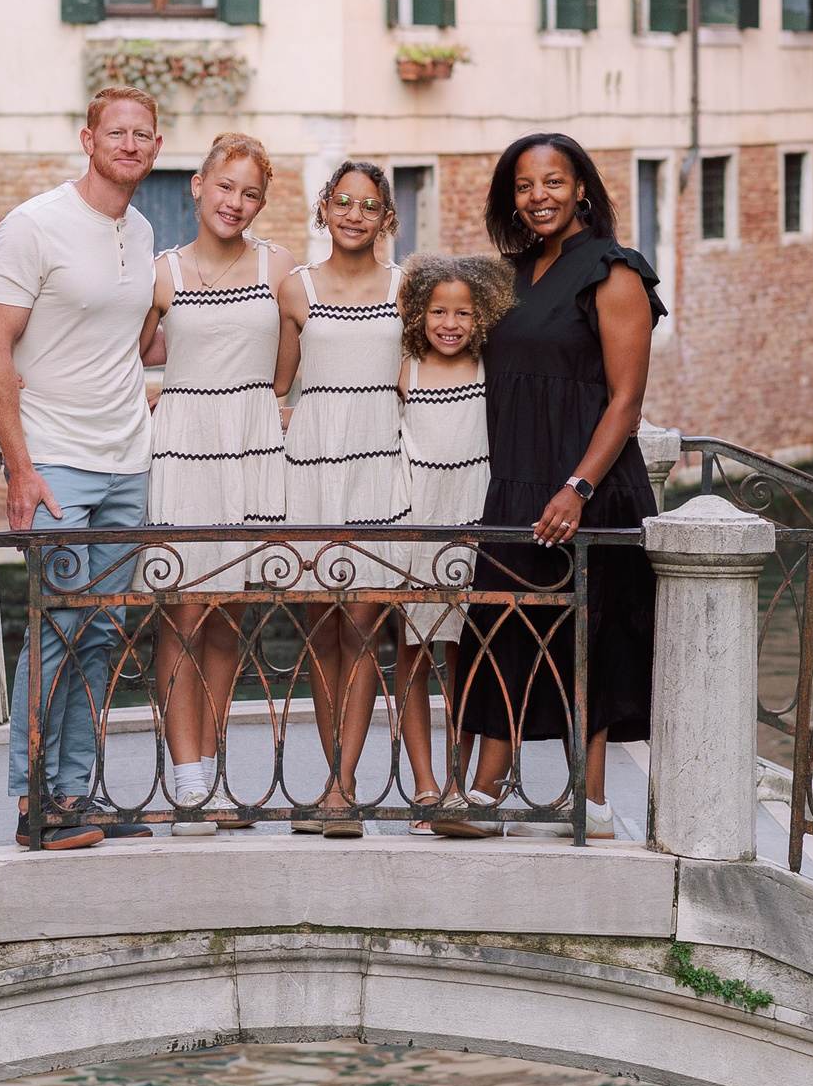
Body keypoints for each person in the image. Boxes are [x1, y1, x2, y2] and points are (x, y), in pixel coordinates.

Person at [436, 134, 662, 843]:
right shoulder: (509, 275)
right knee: (503, 634)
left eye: (553, 181)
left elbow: (625, 400)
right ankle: (485, 790)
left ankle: (588, 800)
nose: (539, 195)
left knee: (583, 638)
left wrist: (576, 486)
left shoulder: (613, 271)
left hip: (585, 490)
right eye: (526, 185)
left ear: (582, 189)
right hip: (512, 485)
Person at [0, 87, 167, 851]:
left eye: (142, 134)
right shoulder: (33, 225)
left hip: (128, 459)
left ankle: (75, 792)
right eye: (116, 132)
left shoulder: (144, 228)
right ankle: (32, 804)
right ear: (89, 139)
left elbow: (132, 345)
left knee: (104, 632)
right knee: (55, 628)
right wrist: (19, 470)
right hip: (55, 460)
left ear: (156, 146)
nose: (129, 143)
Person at [141, 133, 299, 835]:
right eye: (225, 186)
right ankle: (187, 779)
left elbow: (290, 358)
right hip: (183, 447)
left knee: (230, 611)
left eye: (251, 192)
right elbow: (129, 353)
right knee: (183, 610)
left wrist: (269, 410)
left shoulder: (278, 266)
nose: (236, 202)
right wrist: (159, 397)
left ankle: (212, 767)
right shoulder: (161, 273)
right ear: (198, 185)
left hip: (251, 442)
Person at [276, 162, 405, 839]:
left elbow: (421, 381)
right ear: (325, 207)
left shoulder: (405, 286)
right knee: (320, 630)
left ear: (385, 217)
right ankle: (334, 775)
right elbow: (273, 382)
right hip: (313, 468)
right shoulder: (293, 288)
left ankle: (342, 785)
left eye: (369, 205)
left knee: (360, 628)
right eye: (343, 200)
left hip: (380, 466)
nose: (354, 213)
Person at [391, 252, 510, 826]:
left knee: (468, 656)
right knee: (413, 651)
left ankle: (463, 782)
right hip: (419, 521)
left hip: (474, 520)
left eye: (463, 313)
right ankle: (424, 783)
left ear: (481, 317)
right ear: (420, 313)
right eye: (438, 311)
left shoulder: (490, 367)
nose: (450, 324)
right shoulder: (405, 368)